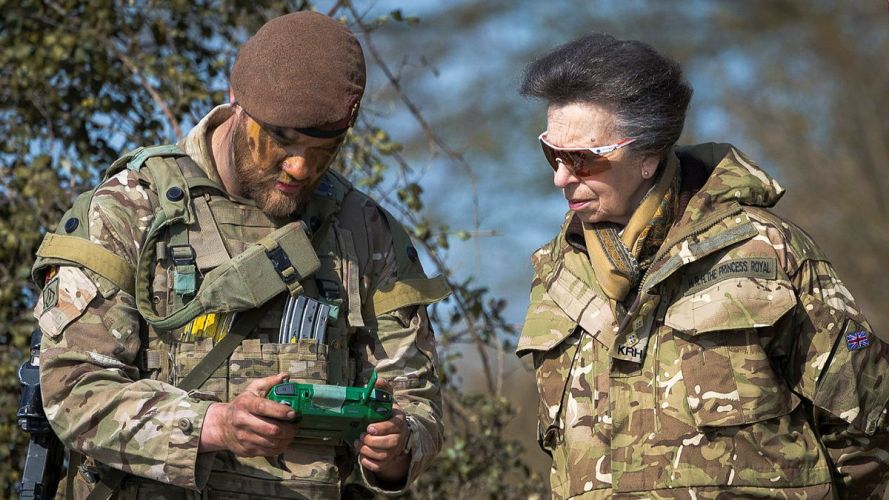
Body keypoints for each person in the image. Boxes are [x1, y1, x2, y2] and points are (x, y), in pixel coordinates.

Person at [31, 11, 447, 499]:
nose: (299, 167)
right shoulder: (129, 210)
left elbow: (416, 401)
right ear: (236, 102)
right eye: (283, 140)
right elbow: (73, 391)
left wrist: (396, 449)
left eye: (324, 150)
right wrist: (213, 425)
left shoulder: (366, 233)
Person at [516, 33, 889, 499]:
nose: (560, 178)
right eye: (551, 153)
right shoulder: (554, 275)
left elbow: (867, 428)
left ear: (648, 157)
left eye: (582, 160)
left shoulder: (765, 250)